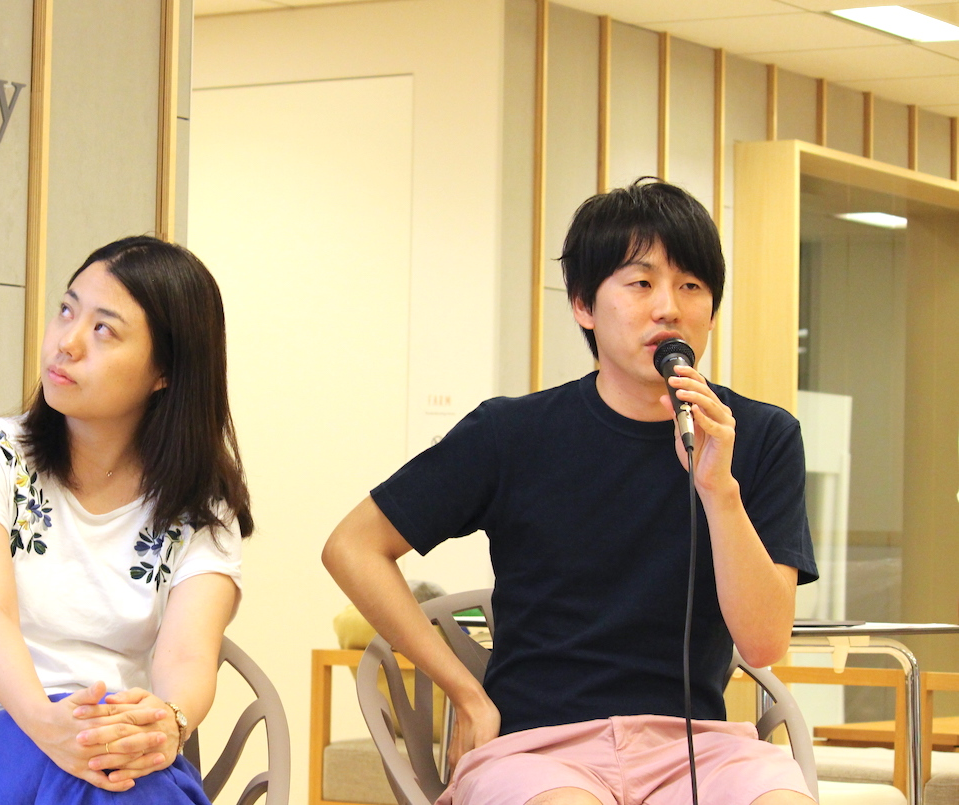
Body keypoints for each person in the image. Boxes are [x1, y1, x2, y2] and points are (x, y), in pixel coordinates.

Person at [322, 179, 819, 805]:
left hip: (697, 750)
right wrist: (465, 691)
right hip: (539, 752)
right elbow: (353, 546)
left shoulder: (762, 435)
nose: (668, 308)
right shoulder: (511, 432)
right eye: (640, 283)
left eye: (691, 286)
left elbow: (765, 643)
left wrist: (719, 490)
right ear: (584, 304)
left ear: (712, 310)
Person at [0, 236, 253, 805]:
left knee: (113, 773)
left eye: (103, 330)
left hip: (109, 745)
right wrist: (48, 726)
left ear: (165, 371)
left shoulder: (202, 503)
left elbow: (188, 656)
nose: (66, 343)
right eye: (67, 311)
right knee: (111, 781)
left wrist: (167, 723)